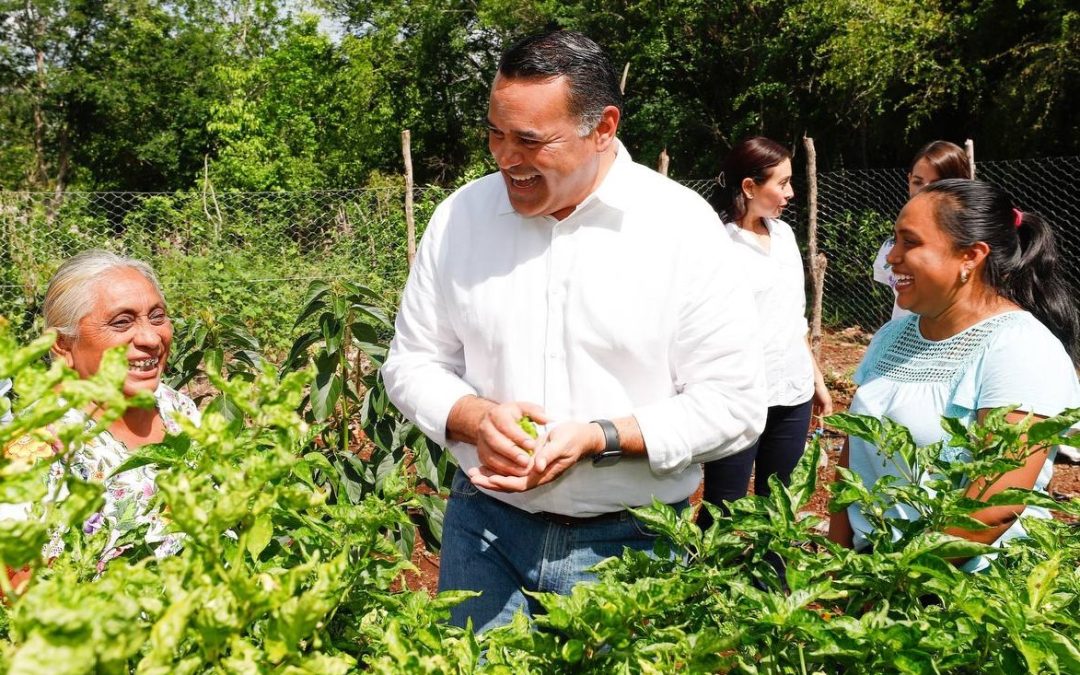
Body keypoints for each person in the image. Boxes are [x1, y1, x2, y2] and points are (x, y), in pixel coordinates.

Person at [382, 30, 766, 632]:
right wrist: (475, 417)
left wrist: (601, 437)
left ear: (603, 128)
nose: (505, 158)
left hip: (632, 546)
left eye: (530, 141)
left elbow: (735, 404)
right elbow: (410, 363)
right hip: (484, 533)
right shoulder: (462, 217)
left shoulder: (679, 228)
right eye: (495, 134)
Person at [829, 179, 1080, 571]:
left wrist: (892, 586)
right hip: (874, 577)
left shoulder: (1020, 349)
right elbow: (852, 462)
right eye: (894, 240)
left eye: (910, 243)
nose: (892, 257)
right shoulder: (892, 336)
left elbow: (995, 508)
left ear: (971, 256)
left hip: (964, 595)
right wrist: (837, 571)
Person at [1, 250, 198, 569]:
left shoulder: (177, 406)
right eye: (122, 322)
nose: (151, 337)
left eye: (158, 316)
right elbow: (20, 581)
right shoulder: (40, 445)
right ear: (63, 345)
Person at [698, 137, 833, 528]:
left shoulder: (786, 236)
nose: (790, 193)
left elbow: (794, 319)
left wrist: (816, 379)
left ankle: (771, 585)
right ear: (749, 187)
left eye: (792, 182)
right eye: (782, 183)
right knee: (724, 507)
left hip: (792, 392)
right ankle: (710, 587)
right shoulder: (717, 243)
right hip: (740, 396)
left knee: (779, 506)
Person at [873, 141, 972, 321]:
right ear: (909, 180)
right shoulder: (891, 248)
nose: (924, 191)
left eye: (937, 183)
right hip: (903, 342)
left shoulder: (974, 247)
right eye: (918, 182)